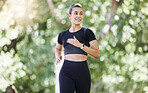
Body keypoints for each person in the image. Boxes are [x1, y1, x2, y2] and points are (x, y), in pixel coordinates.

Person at [55, 4, 100, 93]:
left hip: (82, 72)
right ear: (69, 16)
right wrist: (58, 56)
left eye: (81, 14)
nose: (79, 16)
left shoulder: (87, 32)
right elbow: (57, 48)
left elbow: (97, 54)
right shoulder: (62, 35)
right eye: (76, 13)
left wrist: (80, 45)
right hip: (66, 72)